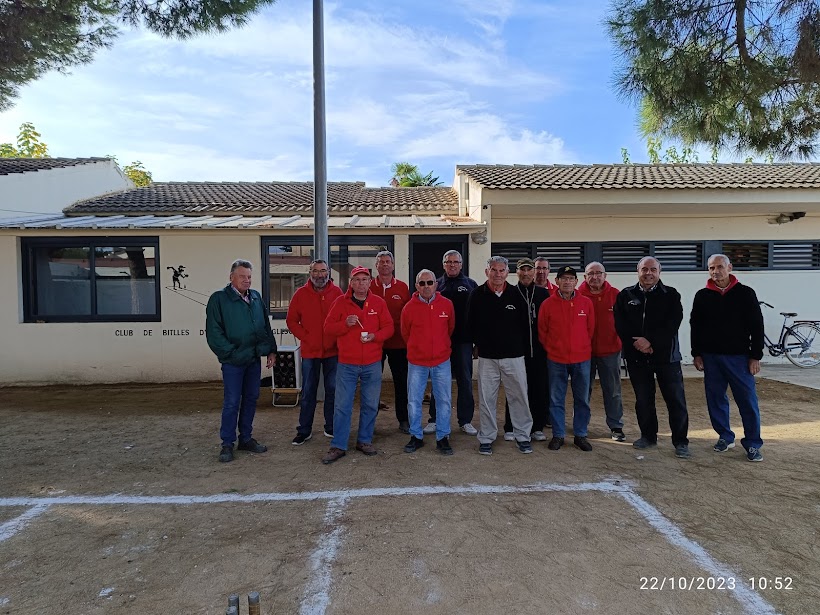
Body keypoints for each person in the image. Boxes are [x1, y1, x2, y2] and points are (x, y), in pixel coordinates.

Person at [690, 254, 765, 462]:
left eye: (720, 267)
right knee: (715, 399)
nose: (716, 271)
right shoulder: (702, 296)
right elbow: (695, 326)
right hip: (711, 358)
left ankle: (753, 443)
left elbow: (757, 325)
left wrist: (755, 356)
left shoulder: (745, 293)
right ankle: (725, 436)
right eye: (711, 268)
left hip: (739, 358)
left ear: (729, 267)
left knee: (747, 400)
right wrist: (697, 353)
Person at [614, 257, 690, 459]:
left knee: (675, 400)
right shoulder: (625, 295)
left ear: (659, 272)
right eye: (644, 269)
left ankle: (680, 441)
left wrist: (651, 342)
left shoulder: (671, 295)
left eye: (653, 269)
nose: (648, 273)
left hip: (667, 358)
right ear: (638, 271)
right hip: (637, 357)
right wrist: (638, 344)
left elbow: (673, 323)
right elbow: (621, 324)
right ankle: (648, 436)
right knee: (643, 399)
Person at [206, 259, 276, 463]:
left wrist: (271, 350)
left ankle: (245, 438)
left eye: (249, 277)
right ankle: (227, 443)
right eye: (242, 276)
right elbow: (214, 333)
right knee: (232, 402)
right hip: (233, 362)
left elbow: (264, 326)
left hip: (253, 359)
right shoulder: (219, 299)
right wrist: (232, 354)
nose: (247, 280)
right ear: (231, 277)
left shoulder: (255, 297)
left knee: (251, 398)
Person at [321, 265, 394, 464]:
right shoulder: (340, 303)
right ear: (351, 283)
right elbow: (328, 328)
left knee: (370, 404)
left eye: (364, 279)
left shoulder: (378, 303)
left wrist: (375, 336)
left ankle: (364, 440)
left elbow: (389, 328)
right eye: (357, 280)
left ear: (370, 282)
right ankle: (338, 445)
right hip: (347, 363)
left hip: (372, 363)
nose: (361, 283)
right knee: (342, 405)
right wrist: (345, 324)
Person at [469, 256, 533, 455]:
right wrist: (479, 344)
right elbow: (470, 323)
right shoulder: (477, 295)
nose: (497, 274)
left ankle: (523, 436)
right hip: (487, 357)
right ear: (487, 271)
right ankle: (487, 437)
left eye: (501, 270)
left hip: (514, 357)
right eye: (493, 270)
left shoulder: (516, 294)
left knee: (519, 397)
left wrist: (520, 349)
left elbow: (526, 325)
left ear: (507, 272)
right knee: (487, 399)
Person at [286, 259, 343, 445]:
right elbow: (291, 320)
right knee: (308, 391)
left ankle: (331, 426)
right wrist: (307, 337)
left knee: (332, 389)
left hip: (333, 352)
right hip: (310, 352)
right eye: (316, 271)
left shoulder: (337, 293)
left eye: (323, 270)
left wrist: (336, 339)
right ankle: (304, 430)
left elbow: (343, 319)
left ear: (329, 272)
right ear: (310, 273)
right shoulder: (300, 294)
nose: (320, 275)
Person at [538, 266, 595, 451]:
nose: (567, 282)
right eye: (564, 278)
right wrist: (552, 349)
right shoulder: (548, 304)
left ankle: (580, 434)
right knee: (556, 399)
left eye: (571, 278)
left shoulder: (586, 303)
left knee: (582, 399)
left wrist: (582, 347)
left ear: (577, 282)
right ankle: (558, 435)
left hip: (582, 359)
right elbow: (542, 331)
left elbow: (590, 329)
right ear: (557, 281)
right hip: (556, 360)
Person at [400, 269, 456, 455]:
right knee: (414, 401)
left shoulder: (447, 305)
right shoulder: (409, 308)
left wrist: (439, 348)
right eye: (422, 283)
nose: (426, 286)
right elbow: (405, 333)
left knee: (444, 400)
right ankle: (416, 436)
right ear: (416, 286)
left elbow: (450, 328)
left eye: (429, 282)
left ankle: (443, 437)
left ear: (436, 284)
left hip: (441, 361)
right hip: (417, 362)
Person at [425, 250, 479, 436]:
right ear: (443, 264)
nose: (452, 265)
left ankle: (465, 420)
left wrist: (477, 343)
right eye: (449, 262)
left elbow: (477, 316)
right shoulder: (436, 285)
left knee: (465, 381)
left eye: (456, 262)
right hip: (440, 343)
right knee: (439, 381)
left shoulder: (471, 285)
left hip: (463, 342)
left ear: (461, 264)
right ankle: (434, 419)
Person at [502, 258, 550, 442]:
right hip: (517, 351)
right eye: (523, 270)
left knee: (539, 389)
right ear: (517, 272)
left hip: (539, 351)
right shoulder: (510, 293)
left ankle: (537, 427)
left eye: (529, 270)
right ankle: (511, 426)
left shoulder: (543, 294)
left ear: (534, 272)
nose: (526, 273)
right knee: (515, 390)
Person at [578, 261, 627, 441]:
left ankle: (616, 426)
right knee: (583, 390)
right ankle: (581, 426)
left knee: (613, 391)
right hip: (584, 353)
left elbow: (625, 322)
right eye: (591, 273)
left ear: (605, 276)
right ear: (585, 277)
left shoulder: (616, 295)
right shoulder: (577, 295)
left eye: (598, 273)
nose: (595, 277)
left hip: (610, 351)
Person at [370, 250, 411, 433]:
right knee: (372, 384)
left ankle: (404, 419)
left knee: (401, 383)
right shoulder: (368, 286)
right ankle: (370, 422)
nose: (385, 264)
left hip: (398, 343)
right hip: (374, 343)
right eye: (381, 261)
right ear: (376, 265)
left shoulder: (402, 287)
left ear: (393, 265)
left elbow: (408, 315)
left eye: (388, 261)